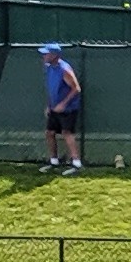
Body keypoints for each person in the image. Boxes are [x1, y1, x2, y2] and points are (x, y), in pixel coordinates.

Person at [38, 44, 84, 173]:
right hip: (54, 108)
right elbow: (51, 89)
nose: (44, 56)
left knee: (66, 133)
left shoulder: (65, 70)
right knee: (50, 133)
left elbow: (76, 89)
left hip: (68, 109)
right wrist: (49, 105)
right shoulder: (48, 68)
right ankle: (54, 162)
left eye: (46, 54)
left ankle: (76, 164)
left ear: (54, 55)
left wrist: (63, 104)